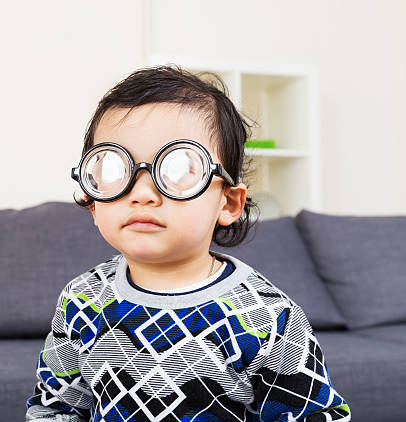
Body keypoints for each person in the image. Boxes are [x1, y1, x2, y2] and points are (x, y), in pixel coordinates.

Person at [25, 65, 351, 422]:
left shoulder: (268, 316)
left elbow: (316, 415)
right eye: (115, 170)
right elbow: (56, 408)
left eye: (178, 169)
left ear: (228, 203)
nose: (142, 194)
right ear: (92, 200)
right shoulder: (82, 300)